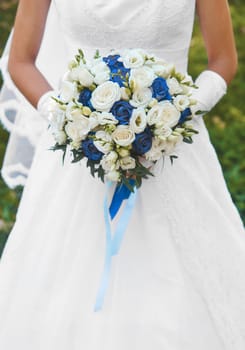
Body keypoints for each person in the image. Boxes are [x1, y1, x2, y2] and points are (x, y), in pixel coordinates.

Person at [0, 0, 244, 349]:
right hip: (76, 158)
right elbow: (20, 61)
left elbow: (223, 60)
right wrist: (71, 122)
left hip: (175, 154)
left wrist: (175, 114)